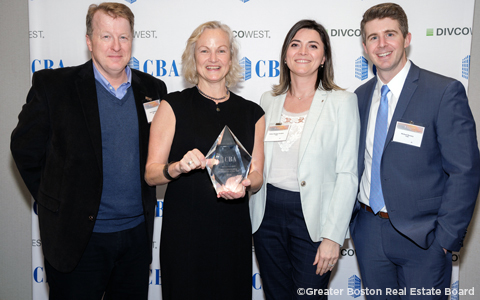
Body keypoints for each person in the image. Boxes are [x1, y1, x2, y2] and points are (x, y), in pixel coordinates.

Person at [10, 3, 167, 299]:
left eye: (123, 37)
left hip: (136, 238)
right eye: (106, 36)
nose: (116, 46)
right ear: (88, 40)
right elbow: (24, 149)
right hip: (77, 241)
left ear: (132, 40)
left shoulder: (153, 90)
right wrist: (56, 198)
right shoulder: (55, 86)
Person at [350, 3, 480, 299]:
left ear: (406, 38)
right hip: (370, 233)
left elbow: (465, 170)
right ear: (364, 45)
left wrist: (445, 239)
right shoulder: (359, 97)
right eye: (373, 37)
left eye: (390, 34)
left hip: (424, 239)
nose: (382, 45)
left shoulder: (442, 92)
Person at [145, 21, 265, 299]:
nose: (213, 59)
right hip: (185, 235)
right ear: (192, 58)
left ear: (231, 59)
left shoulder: (253, 113)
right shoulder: (171, 105)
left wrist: (248, 182)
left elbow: (258, 174)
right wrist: (176, 167)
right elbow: (151, 173)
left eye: (221, 51)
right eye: (204, 51)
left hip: (234, 233)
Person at [249, 19, 360, 299]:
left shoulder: (342, 102)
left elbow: (347, 174)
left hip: (313, 220)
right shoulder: (268, 100)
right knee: (276, 294)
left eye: (313, 46)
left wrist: (334, 236)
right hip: (267, 214)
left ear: (323, 58)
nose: (303, 52)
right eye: (295, 45)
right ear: (286, 55)